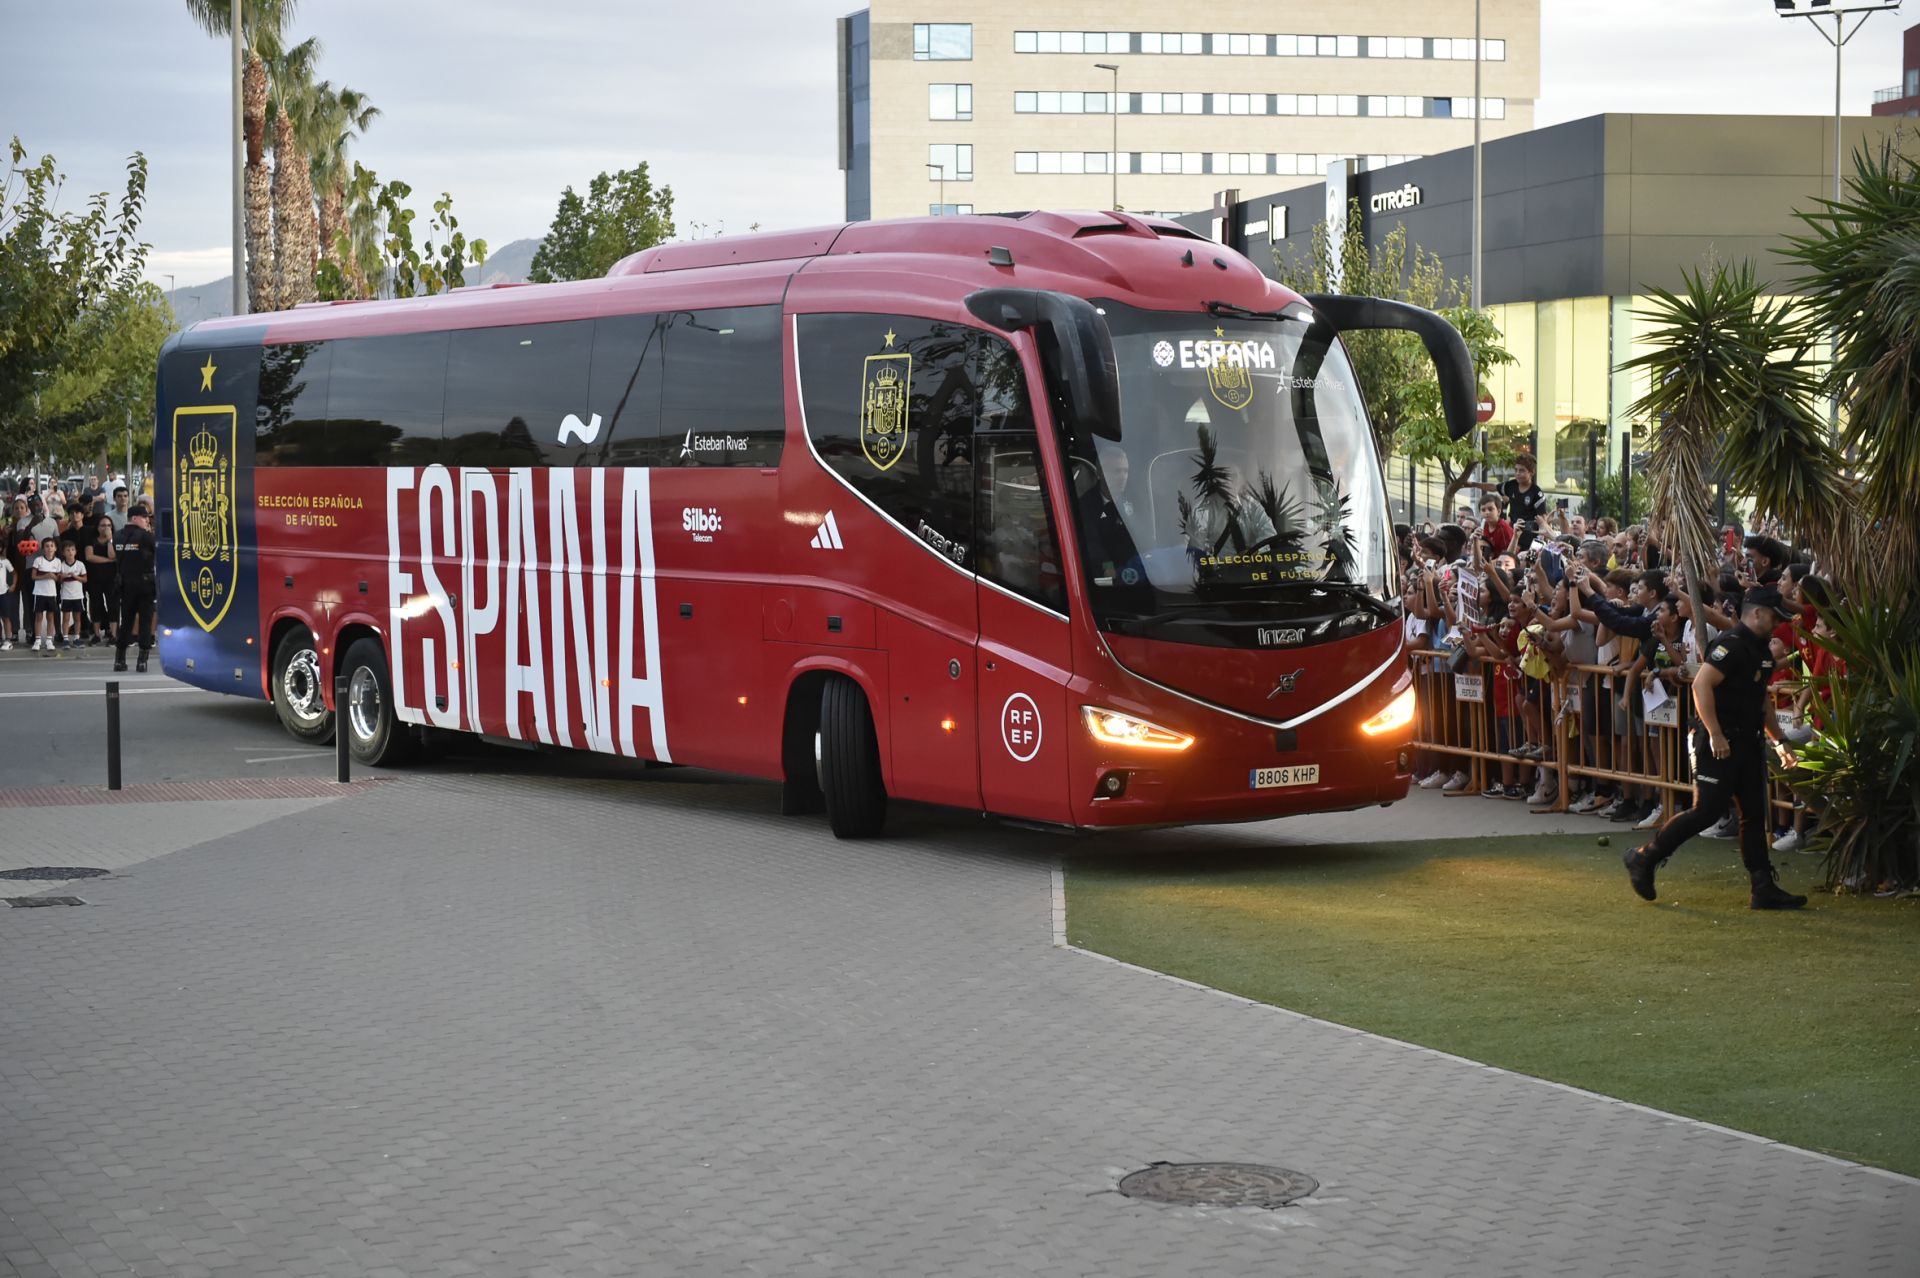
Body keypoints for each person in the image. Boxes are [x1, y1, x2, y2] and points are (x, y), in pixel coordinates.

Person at [1622, 586, 1808, 910]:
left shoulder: (1762, 651)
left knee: (1754, 811)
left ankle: (1762, 886)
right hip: (1717, 740)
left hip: (1748, 740)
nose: (1778, 623)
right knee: (1707, 809)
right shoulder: (1731, 644)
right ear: (1757, 613)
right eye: (1775, 616)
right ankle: (1645, 858)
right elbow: (1701, 684)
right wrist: (1715, 733)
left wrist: (1779, 742)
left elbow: (1761, 699)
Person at [113, 502, 158, 673]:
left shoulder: (117, 536)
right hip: (145, 584)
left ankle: (119, 660)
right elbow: (157, 551)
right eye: (145, 518)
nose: (147, 521)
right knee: (145, 622)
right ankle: (142, 661)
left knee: (127, 622)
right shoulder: (145, 536)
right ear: (134, 518)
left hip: (125, 585)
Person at [1499, 455, 1551, 546]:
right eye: (1516, 470)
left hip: (1529, 539)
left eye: (1522, 470)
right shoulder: (1512, 485)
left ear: (1531, 472)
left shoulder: (1536, 493)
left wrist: (1545, 533)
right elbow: (1493, 487)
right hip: (1512, 535)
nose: (1517, 473)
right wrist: (1473, 484)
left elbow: (1542, 518)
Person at [83, 512, 118, 646]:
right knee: (96, 605)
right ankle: (97, 634)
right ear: (97, 527)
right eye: (103, 525)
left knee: (113, 605)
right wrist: (108, 561)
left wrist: (110, 540)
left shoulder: (115, 539)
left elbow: (112, 554)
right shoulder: (90, 539)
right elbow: (89, 557)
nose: (106, 528)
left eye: (109, 525)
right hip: (95, 577)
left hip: (111, 578)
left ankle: (113, 634)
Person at [29, 534, 63, 652]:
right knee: (38, 617)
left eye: (51, 546)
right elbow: (33, 576)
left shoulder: (58, 562)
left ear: (55, 548)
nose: (49, 548)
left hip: (51, 593)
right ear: (43, 548)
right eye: (47, 546)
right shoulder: (38, 560)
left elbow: (58, 578)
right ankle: (37, 640)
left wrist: (58, 577)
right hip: (39, 593)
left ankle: (49, 640)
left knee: (50, 617)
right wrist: (46, 576)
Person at [56, 537, 87, 649]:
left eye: (72, 550)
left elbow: (85, 580)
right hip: (66, 596)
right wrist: (62, 577)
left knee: (77, 618)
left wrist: (76, 576)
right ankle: (65, 639)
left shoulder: (80, 565)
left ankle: (77, 638)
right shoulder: (61, 565)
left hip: (78, 596)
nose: (70, 552)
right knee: (66, 618)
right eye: (68, 550)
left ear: (76, 551)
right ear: (63, 553)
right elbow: (58, 580)